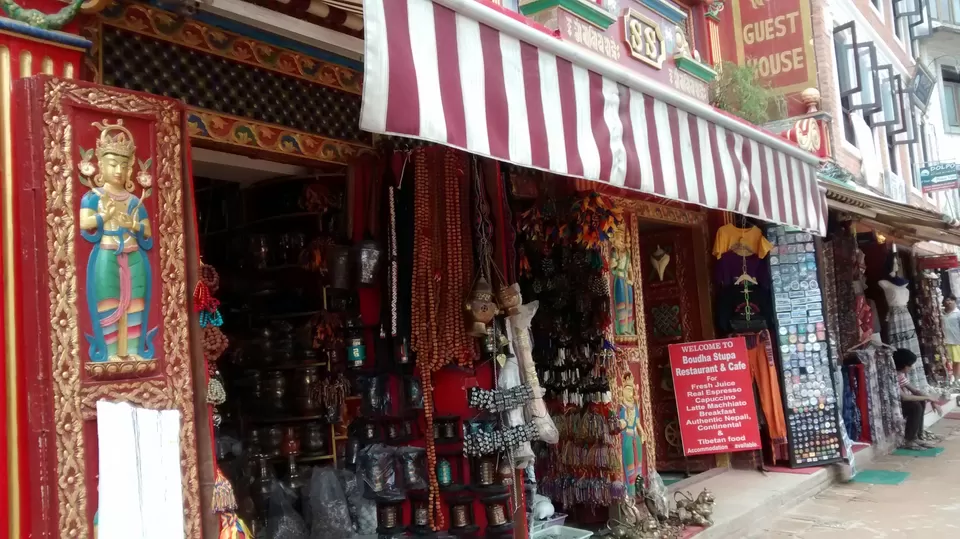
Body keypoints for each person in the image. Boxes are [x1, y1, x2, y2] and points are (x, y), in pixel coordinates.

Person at [894, 348, 942, 450]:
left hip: (898, 404)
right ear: (903, 365)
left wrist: (932, 401)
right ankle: (909, 440)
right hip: (893, 407)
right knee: (914, 406)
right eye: (910, 365)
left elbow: (915, 390)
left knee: (920, 401)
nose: (911, 368)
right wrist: (928, 397)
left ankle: (917, 436)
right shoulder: (892, 376)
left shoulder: (900, 375)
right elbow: (904, 397)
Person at [943, 295, 960, 385]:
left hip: (955, 341)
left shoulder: (958, 313)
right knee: (945, 362)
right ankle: (948, 378)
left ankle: (956, 379)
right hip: (943, 342)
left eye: (950, 300)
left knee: (956, 361)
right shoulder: (942, 313)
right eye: (946, 300)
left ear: (954, 301)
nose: (948, 302)